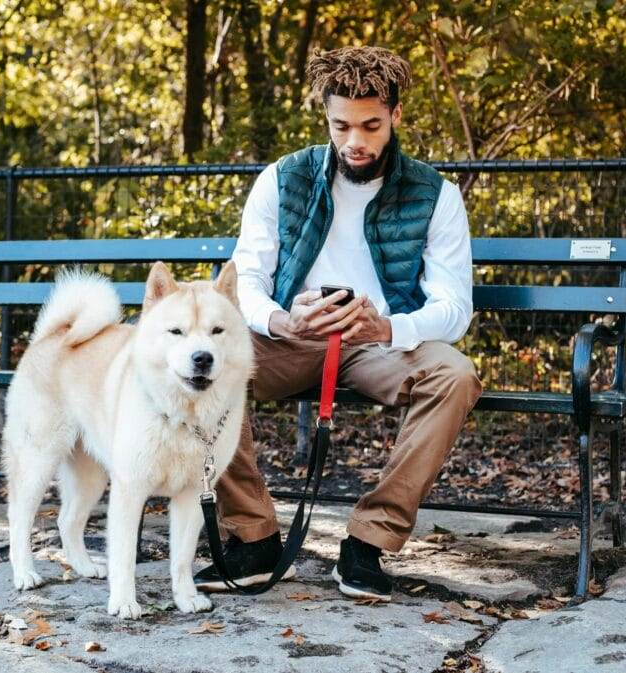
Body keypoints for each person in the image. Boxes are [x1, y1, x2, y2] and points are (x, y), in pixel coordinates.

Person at [193, 45, 482, 602]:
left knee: (455, 376)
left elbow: (454, 308)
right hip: (291, 339)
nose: (355, 140)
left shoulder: (436, 195)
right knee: (204, 369)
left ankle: (368, 543)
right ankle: (252, 539)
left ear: (396, 115)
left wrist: (388, 328)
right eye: (341, 125)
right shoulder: (282, 179)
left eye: (371, 125)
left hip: (380, 343)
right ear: (325, 117)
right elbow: (244, 281)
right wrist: (282, 318)